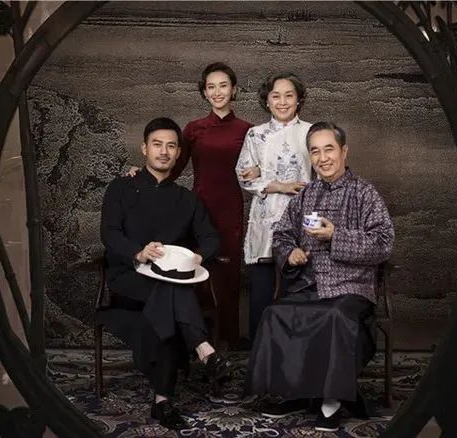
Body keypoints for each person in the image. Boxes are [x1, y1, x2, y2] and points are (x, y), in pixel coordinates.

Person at [244, 122, 394, 432]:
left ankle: (331, 400)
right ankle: (296, 392)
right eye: (315, 151)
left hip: (351, 287)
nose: (323, 158)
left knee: (335, 316)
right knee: (275, 314)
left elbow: (383, 243)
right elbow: (282, 234)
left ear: (344, 151)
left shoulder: (365, 193)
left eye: (329, 149)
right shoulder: (306, 194)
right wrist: (290, 253)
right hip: (309, 284)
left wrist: (336, 236)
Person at [99, 117, 231, 430]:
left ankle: (162, 402)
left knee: (168, 294)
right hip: (129, 280)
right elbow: (109, 233)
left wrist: (198, 255)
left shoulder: (187, 199)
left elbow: (211, 238)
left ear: (178, 153)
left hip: (167, 285)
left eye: (171, 146)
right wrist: (138, 252)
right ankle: (204, 349)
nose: (164, 151)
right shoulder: (121, 187)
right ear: (144, 148)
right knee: (173, 291)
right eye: (157, 144)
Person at [129, 63, 252, 345]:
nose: (217, 92)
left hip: (230, 209)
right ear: (204, 92)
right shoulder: (194, 129)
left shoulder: (248, 131)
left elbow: (259, 170)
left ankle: (228, 340)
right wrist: (141, 175)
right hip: (196, 208)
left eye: (223, 86)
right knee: (191, 268)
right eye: (211, 87)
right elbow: (171, 167)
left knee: (228, 273)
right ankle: (195, 339)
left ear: (234, 90)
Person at [235, 72, 312, 340]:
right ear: (266, 100)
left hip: (301, 220)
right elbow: (243, 175)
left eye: (289, 95)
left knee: (297, 288)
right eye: (275, 96)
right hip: (265, 219)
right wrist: (279, 185)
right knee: (262, 290)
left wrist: (264, 172)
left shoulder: (311, 132)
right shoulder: (255, 134)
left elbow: (323, 172)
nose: (282, 102)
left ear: (298, 100)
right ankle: (260, 348)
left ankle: (294, 348)